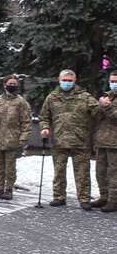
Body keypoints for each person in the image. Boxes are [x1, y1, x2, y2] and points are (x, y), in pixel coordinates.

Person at [40, 69, 100, 210]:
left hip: (80, 140)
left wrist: (104, 105)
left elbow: (97, 112)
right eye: (64, 80)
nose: (67, 83)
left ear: (75, 81)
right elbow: (44, 116)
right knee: (59, 171)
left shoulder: (84, 97)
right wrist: (44, 127)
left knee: (82, 172)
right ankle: (59, 196)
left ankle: (84, 198)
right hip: (59, 140)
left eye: (70, 80)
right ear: (59, 80)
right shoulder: (52, 97)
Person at [0, 75, 32, 200]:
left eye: (14, 83)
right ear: (5, 85)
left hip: (12, 140)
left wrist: (23, 138)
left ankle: (9, 189)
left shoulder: (21, 102)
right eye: (9, 83)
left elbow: (26, 122)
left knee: (10, 167)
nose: (12, 85)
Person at [92, 71, 117, 213]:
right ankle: (104, 196)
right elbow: (97, 117)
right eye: (112, 81)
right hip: (102, 140)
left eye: (116, 81)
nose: (114, 84)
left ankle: (114, 200)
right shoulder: (107, 97)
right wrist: (100, 106)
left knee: (114, 173)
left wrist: (108, 107)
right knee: (100, 171)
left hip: (115, 143)